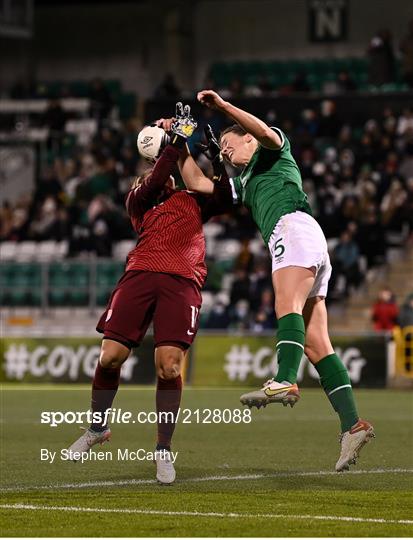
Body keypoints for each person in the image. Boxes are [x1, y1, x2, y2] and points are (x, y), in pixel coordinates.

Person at [173, 89, 374, 472]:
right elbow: (198, 184)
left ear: (246, 137)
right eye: (224, 150)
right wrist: (178, 146)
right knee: (318, 345)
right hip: (307, 239)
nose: (227, 153)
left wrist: (223, 108)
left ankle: (284, 378)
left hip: (292, 229)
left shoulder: (272, 147)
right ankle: (352, 425)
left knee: (286, 304)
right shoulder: (246, 180)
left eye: (231, 145)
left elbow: (264, 132)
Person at [68, 104, 233, 484]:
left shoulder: (194, 201)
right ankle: (97, 428)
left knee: (169, 367)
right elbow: (158, 174)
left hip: (183, 281)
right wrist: (174, 141)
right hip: (140, 275)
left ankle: (162, 450)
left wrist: (210, 157)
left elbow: (224, 196)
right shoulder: (140, 201)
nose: (159, 176)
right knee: (110, 358)